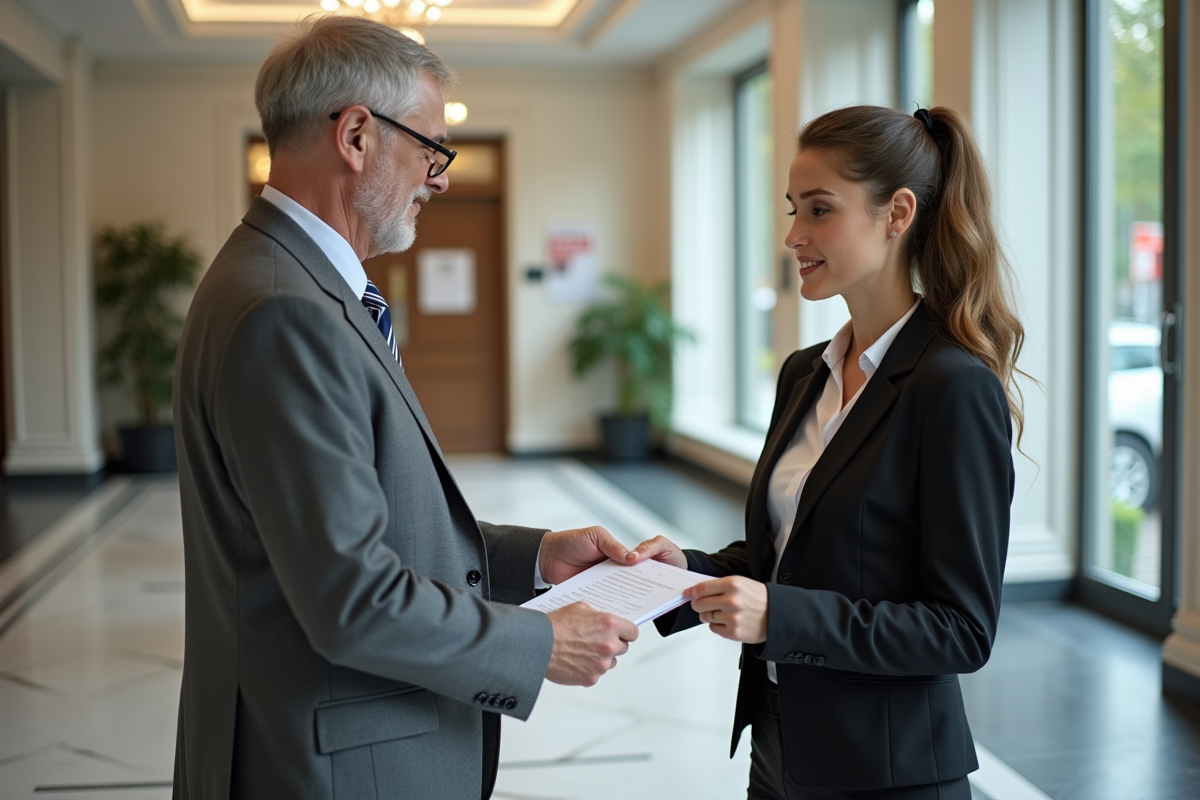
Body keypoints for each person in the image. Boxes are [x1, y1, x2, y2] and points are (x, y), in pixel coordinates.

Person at [172, 16, 639, 800]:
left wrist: (534, 559)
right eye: (430, 147)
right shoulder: (287, 312)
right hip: (333, 764)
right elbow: (351, 597)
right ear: (356, 135)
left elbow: (362, 524)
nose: (440, 177)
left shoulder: (288, 283)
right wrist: (539, 643)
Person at [628, 105, 1024, 800]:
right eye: (792, 209)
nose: (792, 235)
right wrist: (681, 575)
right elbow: (794, 553)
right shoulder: (805, 373)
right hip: (780, 745)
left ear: (897, 213)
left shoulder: (952, 387)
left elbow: (961, 630)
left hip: (888, 772)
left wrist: (779, 616)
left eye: (818, 210)